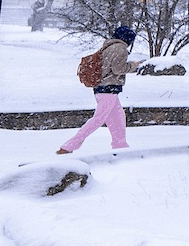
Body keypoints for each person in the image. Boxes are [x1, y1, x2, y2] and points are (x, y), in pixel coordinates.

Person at [59, 24, 137, 154]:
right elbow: (118, 69)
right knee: (98, 119)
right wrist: (133, 66)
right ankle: (68, 146)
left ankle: (121, 146)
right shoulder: (120, 48)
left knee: (118, 117)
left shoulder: (108, 46)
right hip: (108, 89)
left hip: (103, 88)